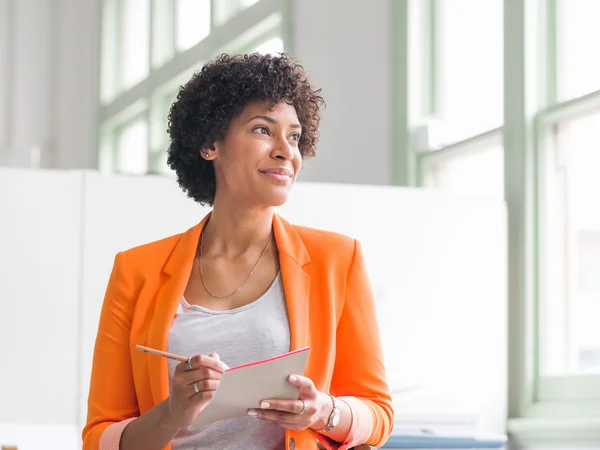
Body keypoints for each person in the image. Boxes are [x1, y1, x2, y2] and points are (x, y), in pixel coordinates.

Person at [82, 53, 393, 450]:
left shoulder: (338, 259)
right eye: (263, 130)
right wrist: (172, 412)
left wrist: (323, 411)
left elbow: (378, 414)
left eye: (294, 136)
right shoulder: (136, 270)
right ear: (211, 144)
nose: (286, 151)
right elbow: (99, 437)